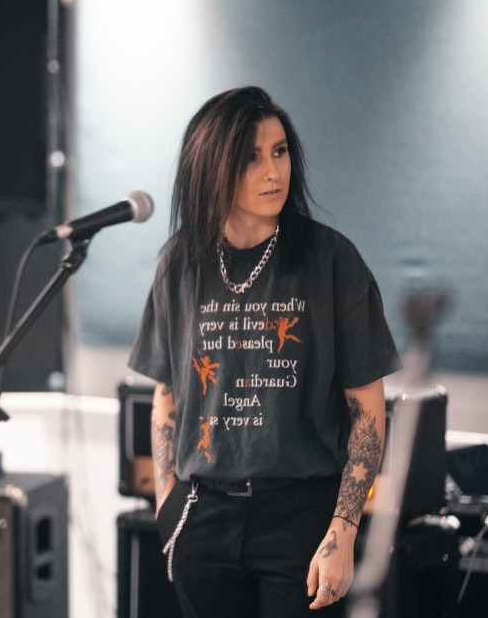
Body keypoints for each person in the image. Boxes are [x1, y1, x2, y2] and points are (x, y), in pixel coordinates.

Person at [128, 86, 400, 616]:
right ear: (212, 167)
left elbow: (368, 408)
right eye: (251, 157)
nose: (273, 171)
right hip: (201, 514)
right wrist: (166, 502)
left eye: (279, 152)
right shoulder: (181, 263)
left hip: (300, 518)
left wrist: (342, 532)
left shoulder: (331, 261)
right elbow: (166, 393)